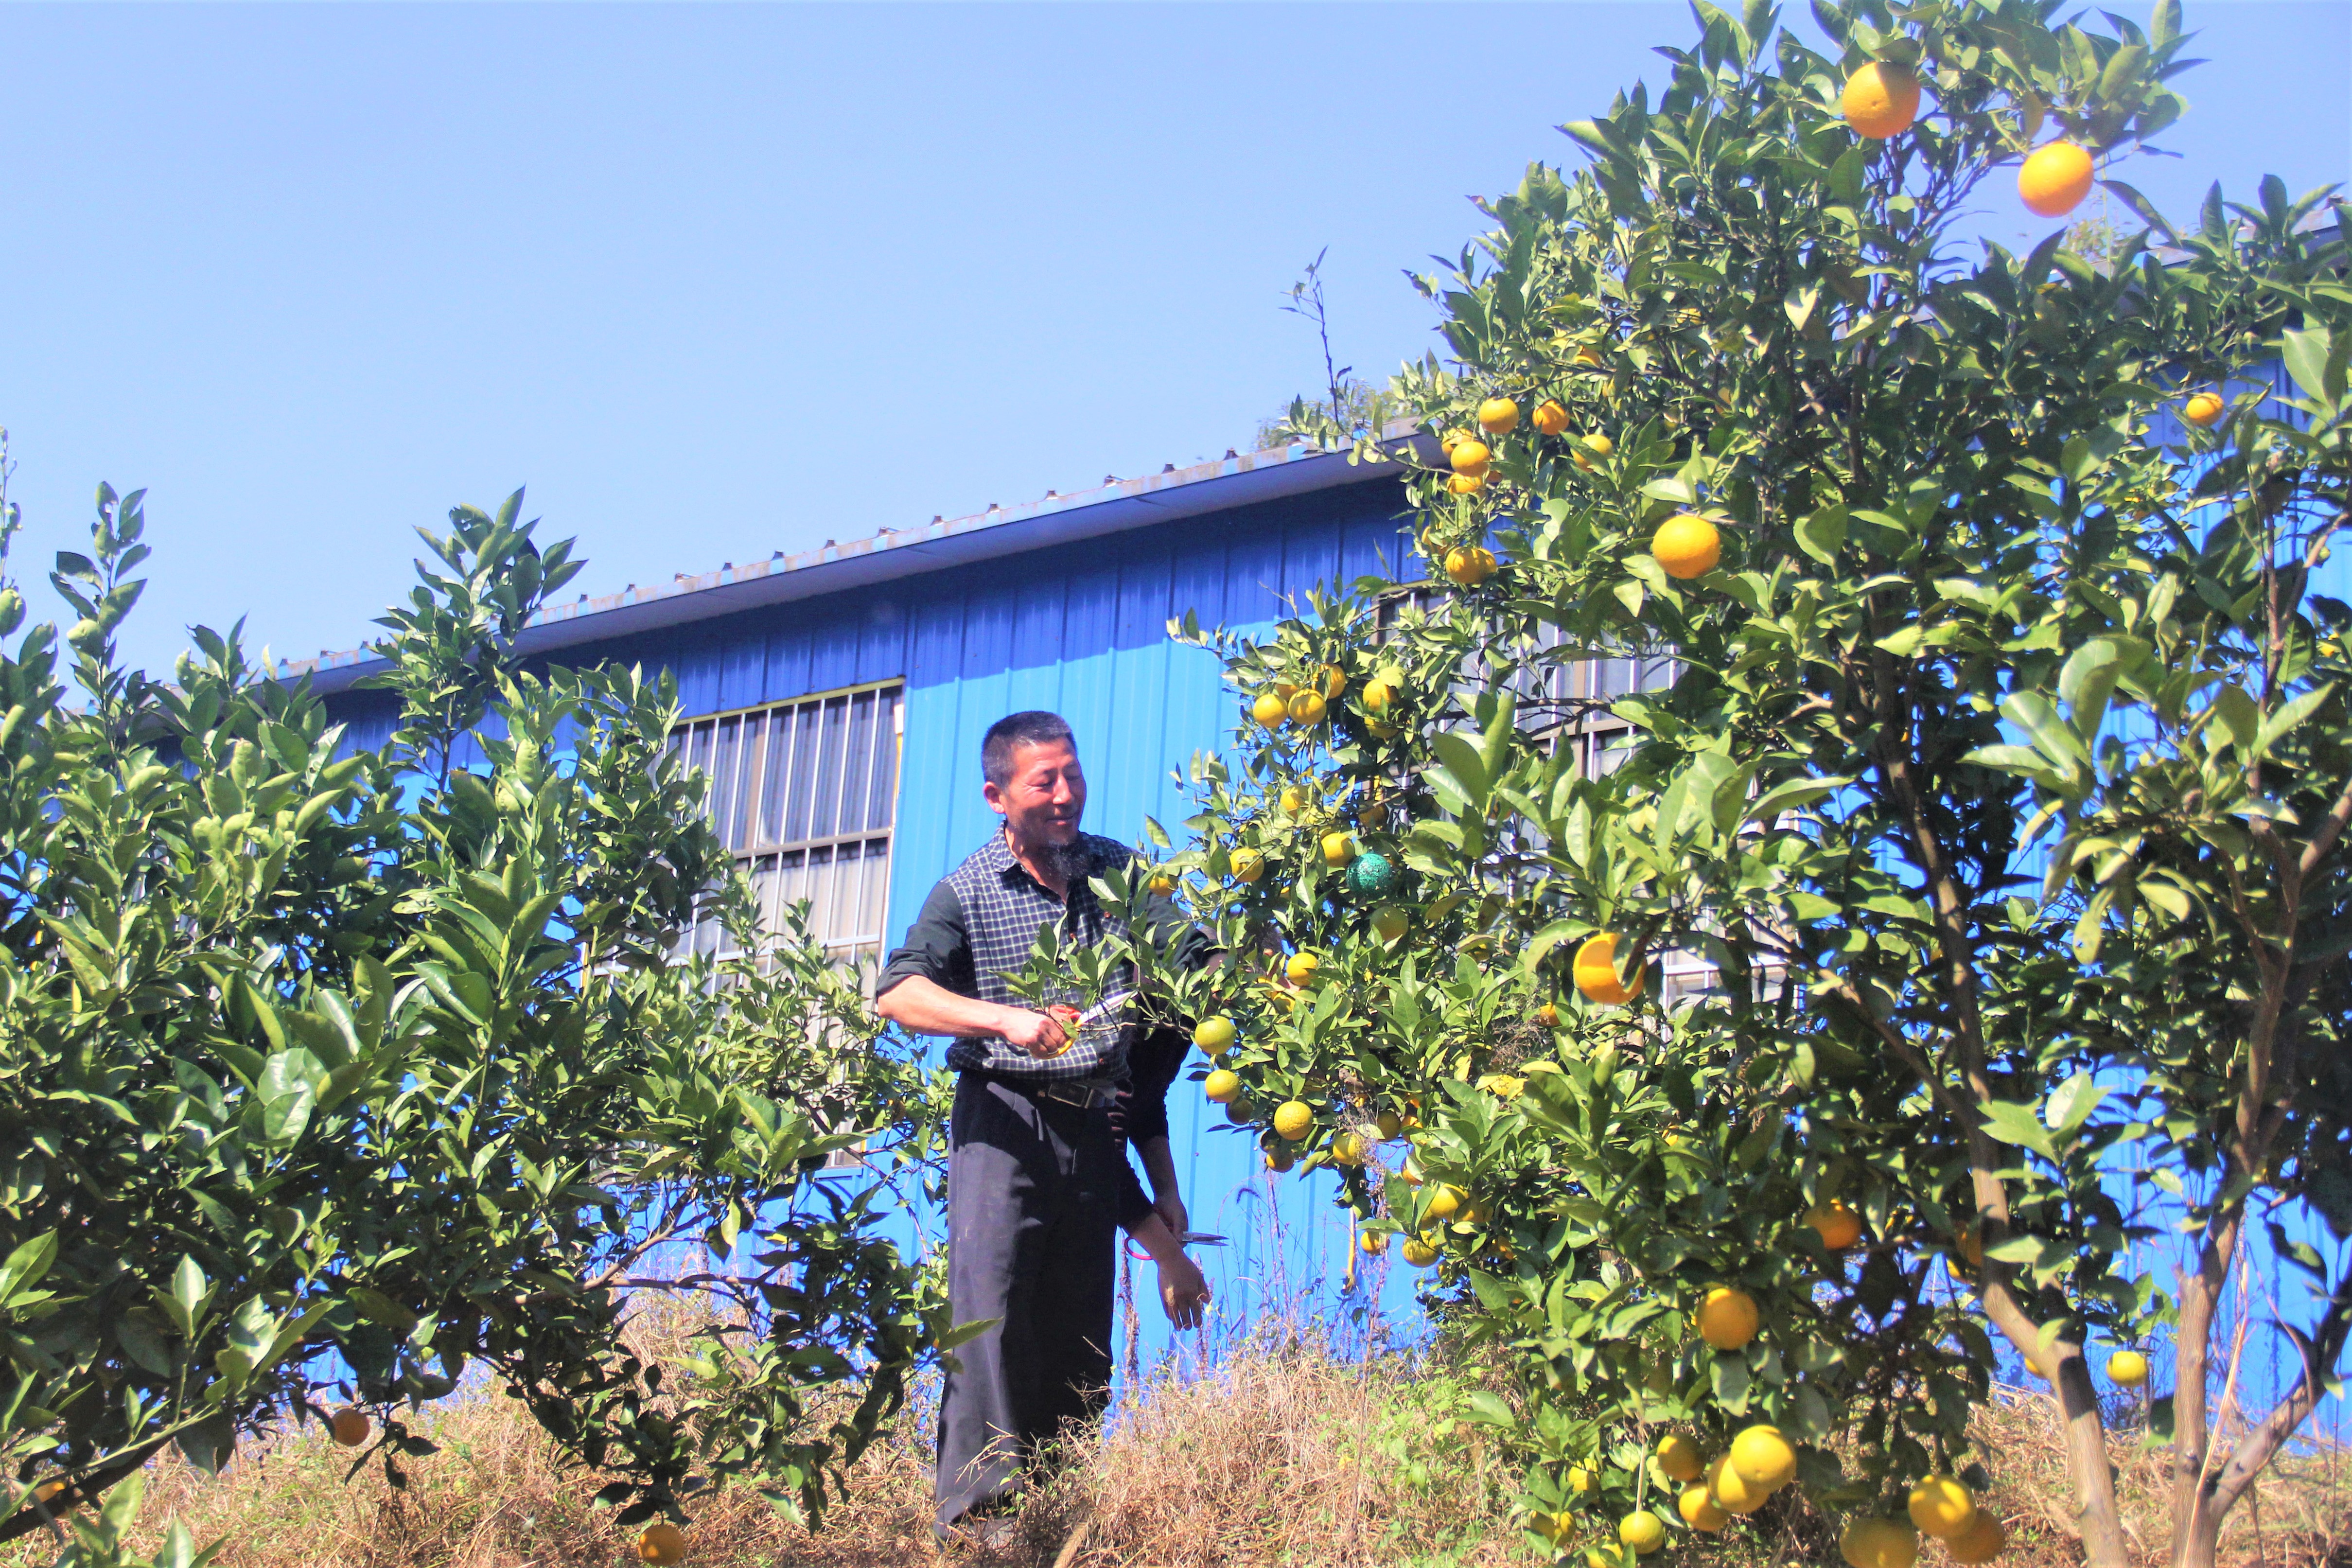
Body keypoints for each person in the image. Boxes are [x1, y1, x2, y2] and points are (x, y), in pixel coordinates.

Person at [874, 710, 1213, 1549]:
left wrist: (1252, 976)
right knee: (988, 1310)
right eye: (1044, 782)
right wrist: (1005, 1020)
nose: (1066, 796)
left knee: (1076, 1329)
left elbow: (1193, 966)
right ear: (998, 796)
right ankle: (978, 1523)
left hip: (1090, 1120)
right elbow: (896, 993)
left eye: (1073, 775)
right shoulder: (968, 889)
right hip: (1003, 1120)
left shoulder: (1117, 874)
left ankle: (1053, 1514)